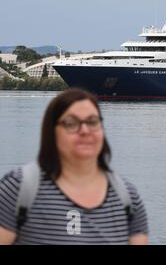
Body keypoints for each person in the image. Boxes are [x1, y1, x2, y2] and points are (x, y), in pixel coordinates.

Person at [0, 88, 148, 244]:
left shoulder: (128, 199)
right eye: (71, 123)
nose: (84, 130)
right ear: (51, 131)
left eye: (92, 122)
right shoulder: (18, 190)